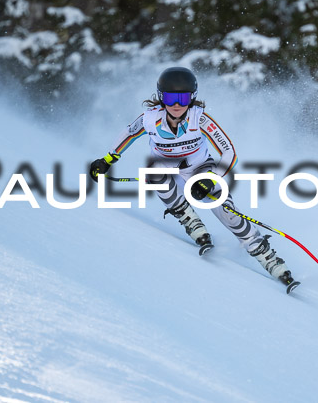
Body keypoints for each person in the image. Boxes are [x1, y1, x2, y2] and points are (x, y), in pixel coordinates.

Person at [90, 67, 299, 291]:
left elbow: (229, 152)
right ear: (162, 97)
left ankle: (267, 256)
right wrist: (108, 159)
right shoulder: (150, 120)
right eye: (171, 98)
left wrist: (212, 179)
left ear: (193, 97)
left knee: (226, 212)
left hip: (200, 168)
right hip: (167, 168)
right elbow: (129, 134)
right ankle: (190, 221)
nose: (177, 104)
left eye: (184, 98)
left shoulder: (200, 119)